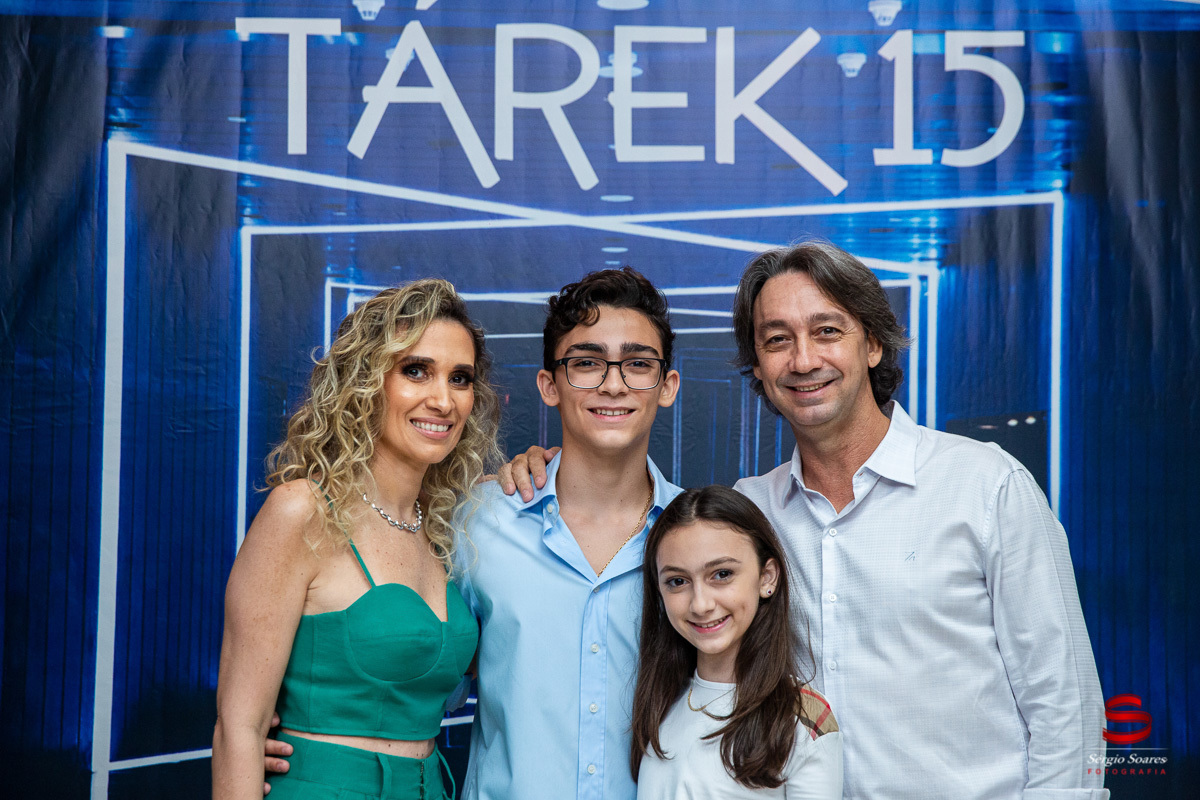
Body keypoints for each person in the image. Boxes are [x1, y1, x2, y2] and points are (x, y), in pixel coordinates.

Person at [502, 240, 1109, 800]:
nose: (803, 359)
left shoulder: (984, 486)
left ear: (872, 344)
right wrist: (542, 470)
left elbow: (1066, 702)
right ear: (757, 368)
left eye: (827, 331)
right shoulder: (749, 514)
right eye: (777, 340)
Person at [212, 280, 501, 800]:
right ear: (366, 381)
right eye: (416, 371)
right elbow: (240, 729)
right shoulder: (302, 511)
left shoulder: (445, 528)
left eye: (460, 378)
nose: (443, 400)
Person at [457, 267, 685, 800]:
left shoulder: (702, 539)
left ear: (667, 387)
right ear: (549, 386)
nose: (613, 384)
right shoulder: (479, 524)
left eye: (638, 364)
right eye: (586, 363)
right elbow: (419, 680)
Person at [632, 485, 842, 800]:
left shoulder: (801, 717)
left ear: (767, 577)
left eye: (722, 574)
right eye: (678, 581)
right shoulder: (660, 701)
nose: (700, 604)